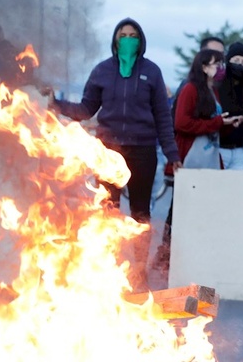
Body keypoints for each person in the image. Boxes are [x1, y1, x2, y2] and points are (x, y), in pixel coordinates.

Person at [45, 17, 181, 291]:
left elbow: (163, 118)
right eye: (123, 34)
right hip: (108, 151)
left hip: (143, 151)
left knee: (141, 212)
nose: (127, 39)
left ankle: (138, 269)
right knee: (106, 211)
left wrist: (172, 153)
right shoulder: (102, 71)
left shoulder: (151, 72)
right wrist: (55, 103)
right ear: (115, 40)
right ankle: (108, 266)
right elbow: (85, 109)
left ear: (140, 40)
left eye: (133, 35)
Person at [153, 49, 243, 273]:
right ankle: (166, 260)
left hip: (209, 160)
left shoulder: (211, 92)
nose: (220, 69)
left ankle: (191, 262)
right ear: (204, 66)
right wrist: (216, 123)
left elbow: (210, 126)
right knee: (180, 213)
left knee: (200, 214)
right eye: (216, 64)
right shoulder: (191, 89)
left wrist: (226, 124)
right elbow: (182, 123)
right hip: (189, 161)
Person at [218, 42, 243, 170]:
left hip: (241, 151)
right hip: (219, 149)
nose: (239, 64)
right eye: (236, 60)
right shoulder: (217, 87)